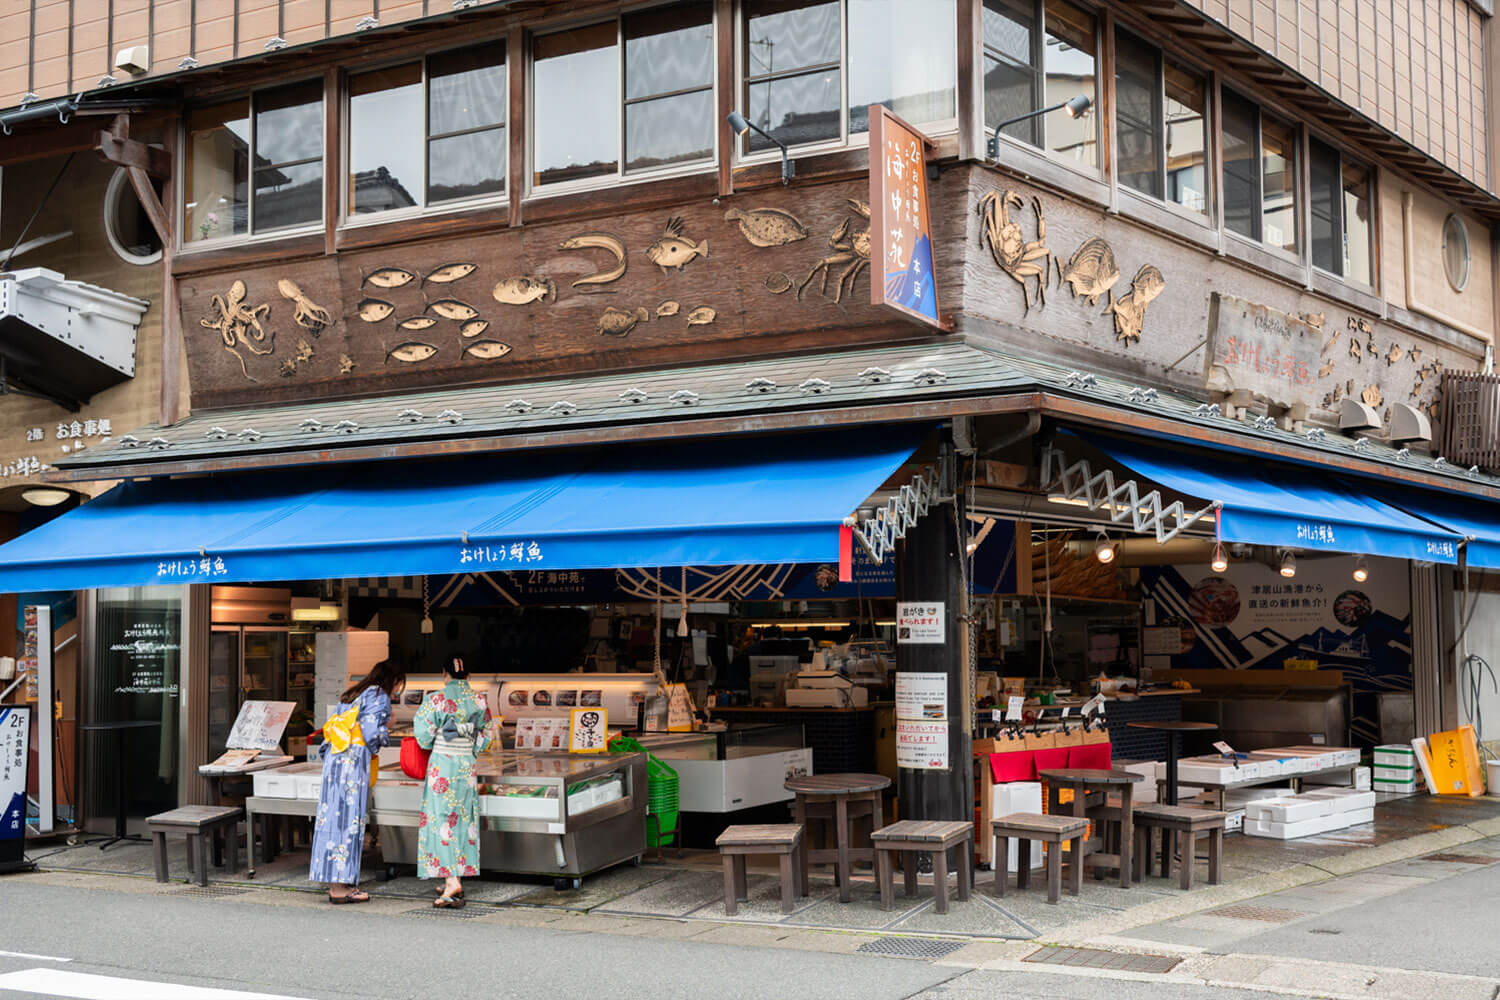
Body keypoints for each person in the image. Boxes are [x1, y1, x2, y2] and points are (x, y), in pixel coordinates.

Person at [310, 658, 404, 903]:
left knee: (331, 818)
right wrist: (388, 727)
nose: (396, 692)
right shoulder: (379, 695)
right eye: (398, 686)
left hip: (335, 758)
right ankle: (342, 888)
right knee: (349, 821)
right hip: (353, 761)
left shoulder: (354, 693)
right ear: (394, 680)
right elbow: (372, 732)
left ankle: (334, 882)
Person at [415, 655, 493, 908]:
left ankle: (451, 881)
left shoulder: (435, 699)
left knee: (442, 819)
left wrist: (441, 738)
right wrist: (469, 744)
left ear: (444, 674)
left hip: (442, 763)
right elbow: (486, 736)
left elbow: (423, 736)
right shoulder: (479, 699)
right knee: (463, 820)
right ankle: (455, 874)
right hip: (465, 766)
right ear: (467, 676)